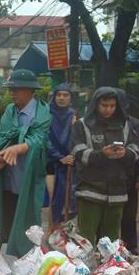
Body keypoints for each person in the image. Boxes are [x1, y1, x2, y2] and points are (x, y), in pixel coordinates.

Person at [0, 69, 50, 256]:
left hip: (28, 176)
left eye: (17, 89)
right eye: (10, 89)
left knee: (28, 223)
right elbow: (4, 139)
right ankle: (4, 263)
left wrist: (18, 148)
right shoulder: (10, 112)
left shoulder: (42, 113)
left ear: (30, 91)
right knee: (4, 220)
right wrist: (2, 158)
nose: (12, 93)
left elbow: (40, 140)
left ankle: (28, 261)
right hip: (8, 177)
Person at [71, 86, 139, 248]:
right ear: (96, 104)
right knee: (86, 241)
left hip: (118, 192)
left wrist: (125, 153)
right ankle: (84, 272)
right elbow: (78, 153)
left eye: (112, 106)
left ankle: (107, 272)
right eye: (104, 105)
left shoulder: (125, 125)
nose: (108, 109)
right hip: (90, 191)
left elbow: (136, 150)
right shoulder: (82, 125)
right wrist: (102, 154)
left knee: (111, 243)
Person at [114, 88, 139, 252]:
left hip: (128, 177)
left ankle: (131, 249)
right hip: (101, 179)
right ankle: (107, 251)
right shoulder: (93, 123)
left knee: (128, 217)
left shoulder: (134, 124)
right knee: (106, 217)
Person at [45, 83, 78, 230]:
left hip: (69, 164)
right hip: (50, 164)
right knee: (52, 201)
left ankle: (63, 234)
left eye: (66, 95)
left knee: (69, 201)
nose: (62, 98)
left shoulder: (74, 115)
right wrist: (59, 157)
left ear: (70, 98)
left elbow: (77, 139)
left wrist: (76, 127)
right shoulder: (46, 114)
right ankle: (51, 231)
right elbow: (44, 139)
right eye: (59, 95)